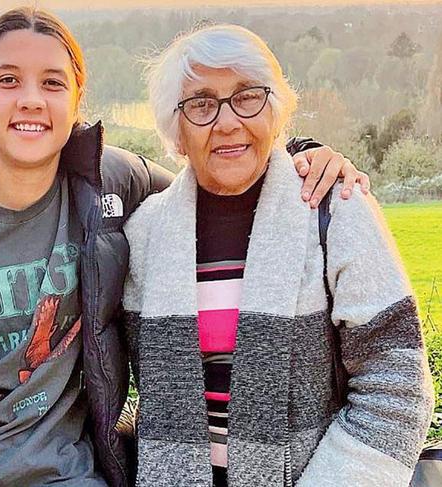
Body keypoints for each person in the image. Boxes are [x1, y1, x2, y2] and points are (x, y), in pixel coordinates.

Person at [0, 8, 369, 487]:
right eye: (8, 79)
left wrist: (301, 156)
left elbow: (219, 179)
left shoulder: (117, 187)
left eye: (52, 83)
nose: (31, 100)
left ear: (76, 98)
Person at [122, 23, 434, 487]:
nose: (228, 121)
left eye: (247, 96)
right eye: (202, 104)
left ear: (276, 111)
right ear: (177, 131)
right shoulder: (144, 233)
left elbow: (396, 389)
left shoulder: (335, 209)